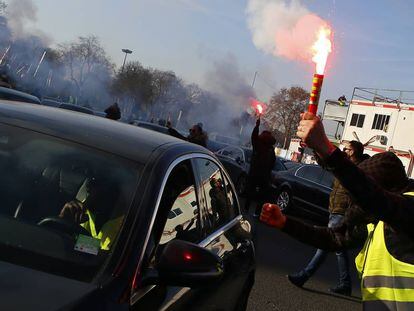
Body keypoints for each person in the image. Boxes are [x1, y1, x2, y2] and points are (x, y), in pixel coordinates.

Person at [261, 112, 414, 310]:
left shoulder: (406, 210)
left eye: (361, 199)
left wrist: (326, 146)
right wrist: (285, 223)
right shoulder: (377, 220)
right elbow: (333, 238)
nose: (358, 206)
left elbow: (374, 197)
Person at [288, 140, 366, 296]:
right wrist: (316, 149)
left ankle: (304, 276)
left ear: (352, 152)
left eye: (347, 149)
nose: (344, 150)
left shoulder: (356, 170)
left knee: (325, 244)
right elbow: (326, 164)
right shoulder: (345, 166)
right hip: (336, 211)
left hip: (342, 213)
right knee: (338, 250)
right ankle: (345, 284)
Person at [59, 176, 122, 250]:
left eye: (95, 182)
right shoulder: (80, 210)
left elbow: (103, 255)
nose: (87, 186)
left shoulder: (124, 222)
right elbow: (94, 248)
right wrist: (62, 224)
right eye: (90, 181)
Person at [245, 117, 276, 216]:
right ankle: (257, 212)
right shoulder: (271, 149)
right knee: (261, 196)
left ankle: (246, 209)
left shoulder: (258, 144)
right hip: (264, 176)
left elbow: (253, 137)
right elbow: (273, 163)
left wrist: (257, 126)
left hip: (254, 173)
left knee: (250, 191)